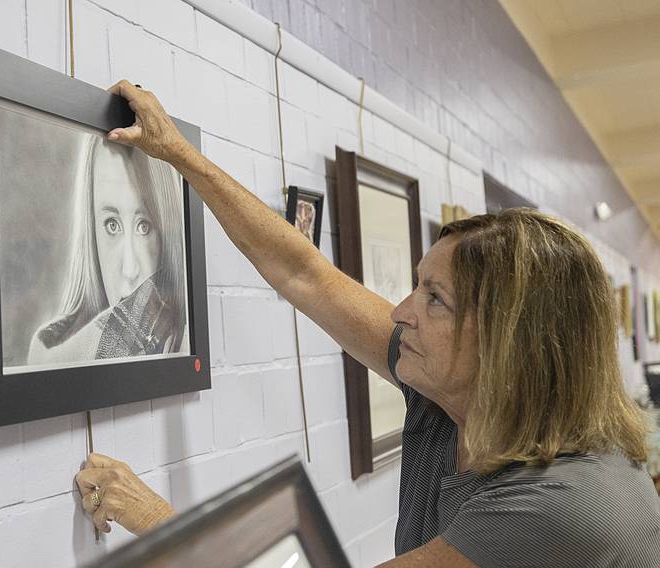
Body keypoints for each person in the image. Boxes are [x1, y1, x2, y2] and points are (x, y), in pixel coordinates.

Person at [74, 80, 660, 567]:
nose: (402, 312)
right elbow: (305, 273)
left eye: (435, 299)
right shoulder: (454, 394)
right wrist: (179, 154)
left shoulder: (566, 504)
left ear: (513, 343)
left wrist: (151, 515)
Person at [28, 133, 187, 366]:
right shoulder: (49, 357)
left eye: (144, 226)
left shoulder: (185, 345)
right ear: (91, 233)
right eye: (112, 225)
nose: (130, 269)